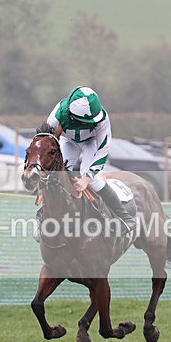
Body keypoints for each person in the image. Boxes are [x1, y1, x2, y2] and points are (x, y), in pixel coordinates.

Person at [44, 86, 135, 233]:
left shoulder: (102, 118)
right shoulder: (56, 116)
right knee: (56, 176)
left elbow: (103, 148)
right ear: (72, 115)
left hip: (90, 142)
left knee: (93, 179)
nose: (94, 122)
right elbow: (48, 141)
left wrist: (86, 178)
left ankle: (125, 218)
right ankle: (43, 217)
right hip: (68, 141)